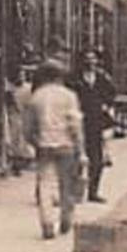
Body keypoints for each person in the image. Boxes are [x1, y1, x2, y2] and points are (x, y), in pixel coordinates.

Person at [23, 60, 81, 240]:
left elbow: (28, 127)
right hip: (66, 145)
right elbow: (75, 123)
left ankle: (47, 222)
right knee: (66, 184)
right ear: (60, 76)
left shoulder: (36, 97)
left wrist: (34, 141)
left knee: (45, 184)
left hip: (44, 145)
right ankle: (65, 218)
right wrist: (79, 145)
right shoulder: (69, 96)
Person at [73, 51, 116, 203]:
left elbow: (112, 94)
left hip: (97, 122)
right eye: (87, 59)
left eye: (93, 59)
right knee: (77, 157)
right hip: (79, 121)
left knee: (96, 160)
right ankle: (76, 191)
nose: (90, 62)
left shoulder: (102, 78)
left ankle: (93, 191)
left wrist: (106, 105)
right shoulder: (76, 79)